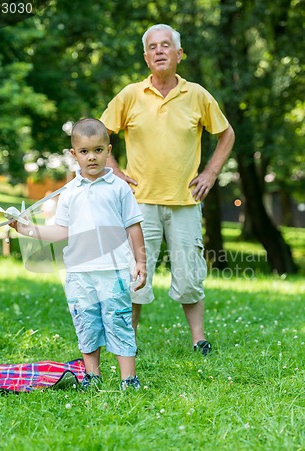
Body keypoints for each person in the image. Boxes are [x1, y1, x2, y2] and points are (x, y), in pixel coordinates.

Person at [100, 24, 235, 356]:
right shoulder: (130, 95)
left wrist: (210, 172)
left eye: (166, 45)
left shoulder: (198, 95)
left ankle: (198, 339)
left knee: (190, 275)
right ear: (146, 58)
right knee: (135, 277)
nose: (159, 50)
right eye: (153, 47)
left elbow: (226, 134)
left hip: (186, 201)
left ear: (179, 54)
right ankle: (127, 340)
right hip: (138, 204)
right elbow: (98, 136)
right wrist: (115, 171)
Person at [12, 118, 147, 391]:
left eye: (98, 150)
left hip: (114, 271)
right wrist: (28, 230)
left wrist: (140, 261)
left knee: (119, 321)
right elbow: (61, 230)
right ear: (74, 155)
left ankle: (128, 379)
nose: (92, 157)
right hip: (79, 273)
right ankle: (92, 376)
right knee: (86, 323)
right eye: (84, 151)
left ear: (109, 151)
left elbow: (133, 225)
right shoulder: (69, 192)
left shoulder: (119, 188)